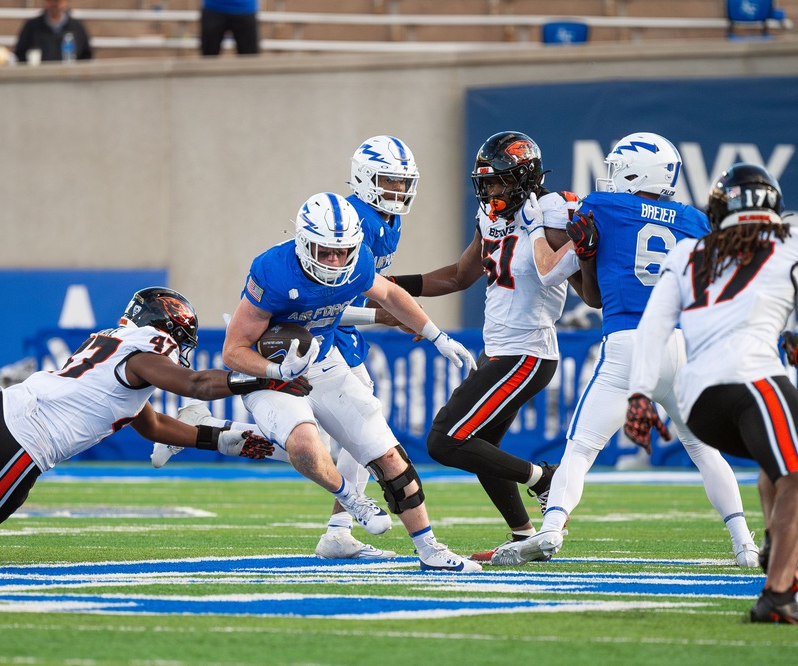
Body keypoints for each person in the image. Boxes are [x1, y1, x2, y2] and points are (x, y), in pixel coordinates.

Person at [0, 287, 307, 567]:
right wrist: (268, 380)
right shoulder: (143, 354)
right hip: (24, 440)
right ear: (168, 330)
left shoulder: (110, 344)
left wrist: (219, 440)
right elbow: (196, 383)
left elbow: (148, 424)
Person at [492, 133, 759, 567]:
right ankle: (744, 542)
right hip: (683, 345)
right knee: (705, 449)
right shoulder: (694, 220)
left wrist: (538, 224)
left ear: (638, 173)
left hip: (629, 342)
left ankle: (551, 529)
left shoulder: (604, 207)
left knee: (580, 449)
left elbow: (549, 273)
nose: (611, 176)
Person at [151, 136, 421, 562]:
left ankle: (209, 433)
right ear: (365, 178)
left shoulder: (388, 222)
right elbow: (320, 306)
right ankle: (339, 525)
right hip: (321, 344)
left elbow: (349, 298)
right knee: (331, 443)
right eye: (388, 180)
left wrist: (402, 315)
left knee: (332, 445)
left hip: (333, 341)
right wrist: (380, 317)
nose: (397, 190)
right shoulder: (360, 222)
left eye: (403, 181)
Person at [222, 191, 481, 572]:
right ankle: (352, 499)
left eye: (341, 252)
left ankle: (431, 551)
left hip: (323, 360)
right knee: (307, 444)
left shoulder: (355, 262)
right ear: (303, 242)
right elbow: (233, 351)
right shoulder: (273, 271)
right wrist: (278, 372)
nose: (333, 260)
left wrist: (436, 336)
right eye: (324, 251)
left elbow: (390, 293)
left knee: (389, 456)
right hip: (268, 368)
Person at [381, 131, 585, 560]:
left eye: (498, 181)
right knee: (481, 449)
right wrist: (386, 286)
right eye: (486, 182)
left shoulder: (551, 212)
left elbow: (569, 273)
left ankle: (545, 479)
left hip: (527, 352)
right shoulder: (491, 217)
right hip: (499, 350)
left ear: (523, 179)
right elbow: (458, 276)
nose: (490, 190)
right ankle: (524, 536)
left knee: (444, 440)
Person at [623, 163, 797, 623]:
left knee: (779, 463)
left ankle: (778, 542)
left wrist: (639, 393)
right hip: (754, 379)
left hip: (698, 401)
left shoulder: (686, 254)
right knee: (796, 475)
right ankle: (779, 592)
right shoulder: (788, 242)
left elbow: (653, 326)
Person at [14, 0, 92, 64]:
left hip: (69, 78)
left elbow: (86, 56)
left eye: (59, 1)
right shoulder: (32, 27)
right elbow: (20, 54)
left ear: (66, 3)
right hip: (39, 79)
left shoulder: (76, 27)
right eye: (51, 1)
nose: (55, 5)